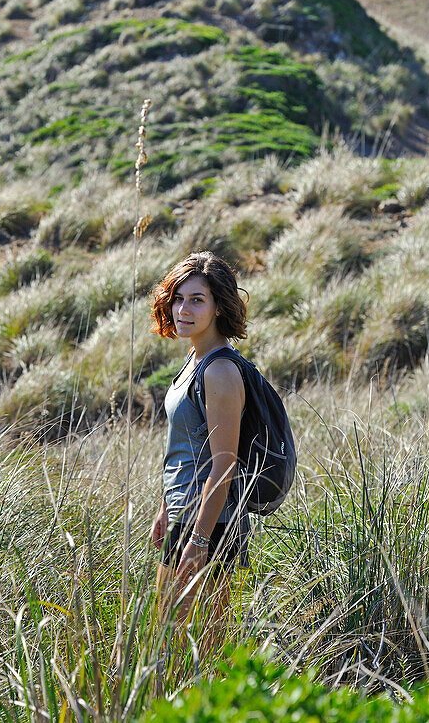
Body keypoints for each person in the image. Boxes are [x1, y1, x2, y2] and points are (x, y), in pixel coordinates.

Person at [149, 251, 250, 651]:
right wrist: (164, 507)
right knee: (167, 637)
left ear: (219, 306)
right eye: (178, 298)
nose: (183, 309)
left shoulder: (220, 370)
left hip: (209, 523)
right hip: (184, 515)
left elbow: (224, 464)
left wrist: (200, 540)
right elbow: (186, 447)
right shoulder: (194, 361)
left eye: (197, 300)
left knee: (198, 648)